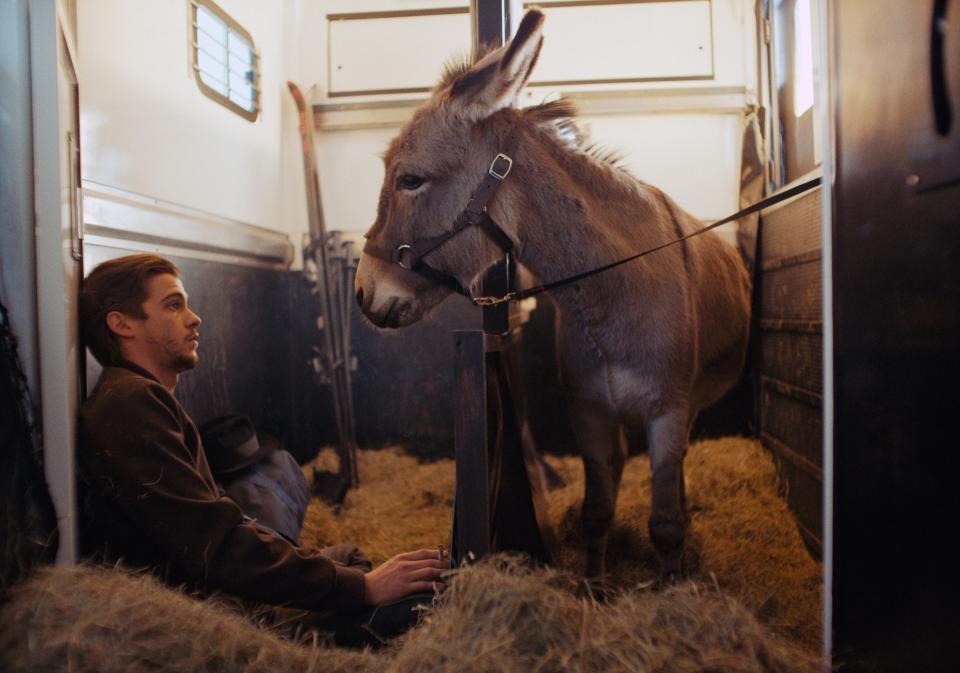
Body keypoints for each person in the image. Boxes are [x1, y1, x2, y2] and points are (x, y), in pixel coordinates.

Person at [77, 253, 447, 641]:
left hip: (221, 593)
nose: (193, 317)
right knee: (397, 599)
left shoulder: (139, 396)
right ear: (121, 324)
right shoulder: (129, 404)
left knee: (351, 561)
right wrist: (363, 588)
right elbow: (215, 545)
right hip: (207, 619)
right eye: (173, 305)